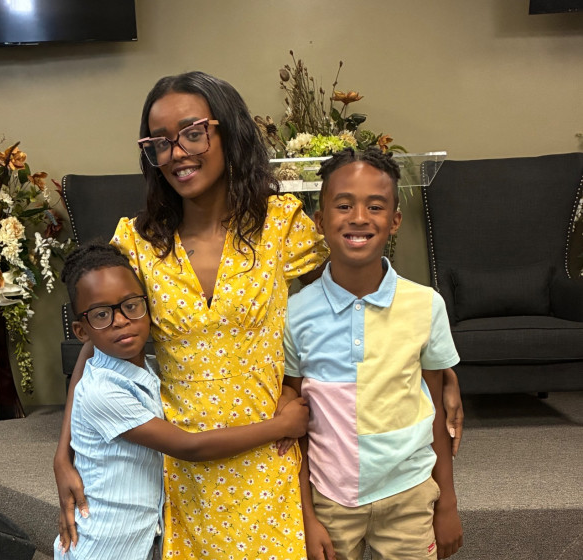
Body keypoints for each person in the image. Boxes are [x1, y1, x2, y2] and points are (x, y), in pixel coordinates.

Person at [54, 71, 465, 560]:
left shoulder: (279, 225)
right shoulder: (138, 242)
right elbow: (98, 343)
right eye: (160, 142)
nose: (177, 152)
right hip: (188, 462)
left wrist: (436, 370)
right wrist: (63, 451)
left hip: (272, 450)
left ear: (228, 131)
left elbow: (353, 294)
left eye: (192, 133)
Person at [54, 241, 310, 559]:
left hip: (141, 540)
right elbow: (190, 447)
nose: (120, 320)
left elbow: (91, 349)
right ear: (82, 330)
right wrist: (280, 426)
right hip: (104, 547)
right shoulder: (102, 392)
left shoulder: (148, 370)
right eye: (101, 314)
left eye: (130, 306)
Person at [283, 147, 464, 560]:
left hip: (409, 492)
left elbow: (437, 406)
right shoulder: (294, 313)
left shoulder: (426, 305)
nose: (359, 217)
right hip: (329, 497)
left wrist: (448, 502)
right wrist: (307, 516)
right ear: (320, 221)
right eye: (344, 205)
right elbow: (294, 421)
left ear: (395, 221)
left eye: (376, 206)